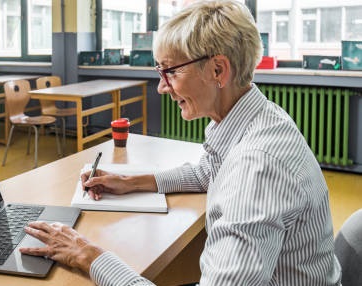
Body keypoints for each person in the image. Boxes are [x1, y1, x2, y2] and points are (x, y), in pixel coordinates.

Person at [19, 1, 343, 285]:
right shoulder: (253, 118)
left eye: (170, 72)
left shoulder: (256, 168)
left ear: (218, 69)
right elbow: (207, 173)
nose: (162, 87)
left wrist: (88, 255)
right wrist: (130, 182)